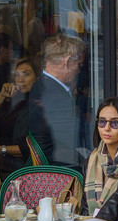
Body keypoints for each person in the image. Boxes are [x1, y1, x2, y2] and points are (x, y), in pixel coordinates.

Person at [29, 34, 86, 168]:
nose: (78, 71)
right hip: (63, 168)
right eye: (78, 65)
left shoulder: (41, 84)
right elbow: (69, 144)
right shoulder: (56, 96)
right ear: (67, 62)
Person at [0, 57, 37, 172]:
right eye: (17, 75)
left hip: (20, 165)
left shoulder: (37, 105)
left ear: (36, 78)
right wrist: (1, 96)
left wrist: (1, 149)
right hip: (2, 157)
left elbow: (30, 147)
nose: (20, 80)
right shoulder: (15, 102)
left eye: (26, 74)